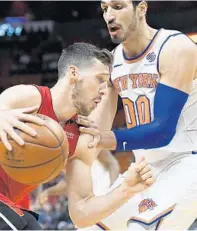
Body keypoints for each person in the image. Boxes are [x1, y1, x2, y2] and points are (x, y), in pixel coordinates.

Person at [0, 42, 154, 230]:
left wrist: (126, 189)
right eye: (99, 79)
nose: (104, 90)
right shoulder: (29, 98)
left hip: (1, 208)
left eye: (108, 83)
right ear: (74, 73)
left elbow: (82, 213)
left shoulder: (79, 139)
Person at [76, 0, 197, 229]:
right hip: (146, 169)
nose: (109, 16)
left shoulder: (175, 47)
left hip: (188, 162)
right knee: (90, 226)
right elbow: (94, 130)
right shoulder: (113, 62)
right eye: (104, 9)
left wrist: (102, 138)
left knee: (141, 227)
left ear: (141, 9)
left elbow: (162, 131)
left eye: (118, 7)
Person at [37, 149, 120, 205]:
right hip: (92, 206)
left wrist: (112, 187)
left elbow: (112, 163)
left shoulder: (90, 140)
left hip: (109, 195)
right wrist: (48, 192)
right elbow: (67, 184)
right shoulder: (65, 158)